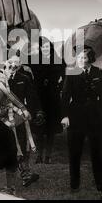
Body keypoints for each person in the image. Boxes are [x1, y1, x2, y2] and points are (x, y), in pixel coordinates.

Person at [61, 45, 102, 199]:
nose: (82, 60)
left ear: (90, 58)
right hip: (75, 117)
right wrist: (65, 116)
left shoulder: (99, 72)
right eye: (79, 58)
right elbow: (65, 96)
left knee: (98, 153)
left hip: (95, 118)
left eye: (84, 57)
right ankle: (74, 184)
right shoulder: (71, 72)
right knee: (75, 153)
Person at [6, 53, 45, 187]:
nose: (13, 65)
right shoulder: (0, 78)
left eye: (16, 63)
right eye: (11, 62)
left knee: (23, 145)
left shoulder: (25, 78)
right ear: (6, 63)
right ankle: (10, 175)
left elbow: (32, 96)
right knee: (7, 145)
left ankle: (25, 173)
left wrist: (38, 111)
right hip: (3, 117)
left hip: (19, 116)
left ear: (20, 65)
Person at [27, 36, 65, 164]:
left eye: (47, 46)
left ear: (51, 47)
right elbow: (20, 60)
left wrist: (58, 86)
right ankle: (39, 155)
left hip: (52, 98)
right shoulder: (34, 59)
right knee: (38, 127)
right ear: (40, 48)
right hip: (38, 98)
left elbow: (65, 75)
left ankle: (48, 155)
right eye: (43, 47)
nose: (45, 49)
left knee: (50, 128)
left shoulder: (58, 60)